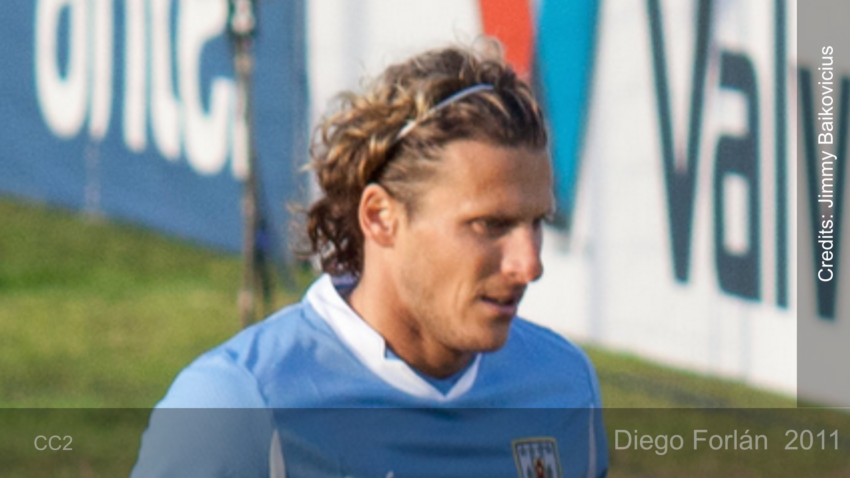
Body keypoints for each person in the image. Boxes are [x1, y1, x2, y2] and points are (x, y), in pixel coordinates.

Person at [131, 42, 608, 478]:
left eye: (537, 223)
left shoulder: (564, 388)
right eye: (490, 225)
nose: (529, 265)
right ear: (381, 217)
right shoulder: (235, 409)